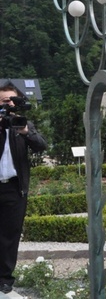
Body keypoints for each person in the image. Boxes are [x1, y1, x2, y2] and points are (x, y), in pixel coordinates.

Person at [0, 85, 47, 294]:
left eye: (11, 100)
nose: (8, 103)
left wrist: (26, 132)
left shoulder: (23, 124)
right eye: (3, 100)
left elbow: (41, 146)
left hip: (14, 188)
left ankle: (4, 279)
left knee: (10, 236)